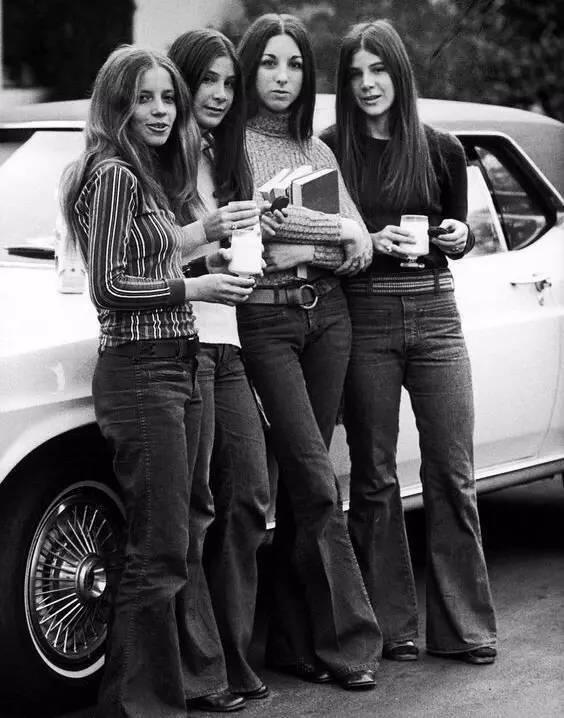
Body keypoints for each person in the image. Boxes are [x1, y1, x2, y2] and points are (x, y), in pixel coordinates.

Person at [60, 45, 256, 716]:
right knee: (159, 549)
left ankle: (150, 698)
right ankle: (137, 706)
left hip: (177, 361)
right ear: (117, 104)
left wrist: (205, 242)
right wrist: (196, 286)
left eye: (167, 97)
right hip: (142, 371)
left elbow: (150, 256)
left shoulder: (141, 174)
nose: (161, 110)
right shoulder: (114, 173)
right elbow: (111, 288)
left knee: (170, 542)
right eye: (144, 98)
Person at [321, 19, 497, 665]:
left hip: (436, 311)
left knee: (452, 470)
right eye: (356, 74)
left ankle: (466, 628)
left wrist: (460, 236)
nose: (368, 84)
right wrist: (367, 242)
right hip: (365, 314)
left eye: (379, 70)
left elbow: (460, 232)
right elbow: (322, 242)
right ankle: (392, 627)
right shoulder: (329, 150)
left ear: (399, 72)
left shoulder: (442, 148)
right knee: (373, 476)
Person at [236, 13, 383, 690]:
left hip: (330, 319)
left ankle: (293, 642)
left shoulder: (319, 151)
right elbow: (260, 225)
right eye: (270, 62)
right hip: (267, 324)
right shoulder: (232, 145)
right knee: (318, 481)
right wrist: (334, 232)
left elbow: (362, 247)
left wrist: (318, 240)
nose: (282, 77)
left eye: (294, 64)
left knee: (305, 490)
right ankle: (350, 645)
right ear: (250, 68)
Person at [167, 29, 271, 701]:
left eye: (230, 83)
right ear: (181, 82)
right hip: (183, 340)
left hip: (228, 342)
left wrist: (248, 249)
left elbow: (241, 253)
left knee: (251, 496)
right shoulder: (157, 160)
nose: (221, 94)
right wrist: (207, 251)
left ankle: (231, 653)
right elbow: (141, 256)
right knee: (194, 509)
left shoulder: (227, 162)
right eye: (207, 79)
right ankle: (199, 670)